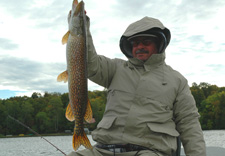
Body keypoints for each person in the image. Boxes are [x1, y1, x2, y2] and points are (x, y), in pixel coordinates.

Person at [68, 16, 206, 156]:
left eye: (146, 42)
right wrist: (82, 26)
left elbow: (189, 124)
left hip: (148, 151)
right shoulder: (115, 68)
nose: (140, 47)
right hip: (103, 150)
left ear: (159, 44)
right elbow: (88, 63)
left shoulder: (177, 81)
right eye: (135, 43)